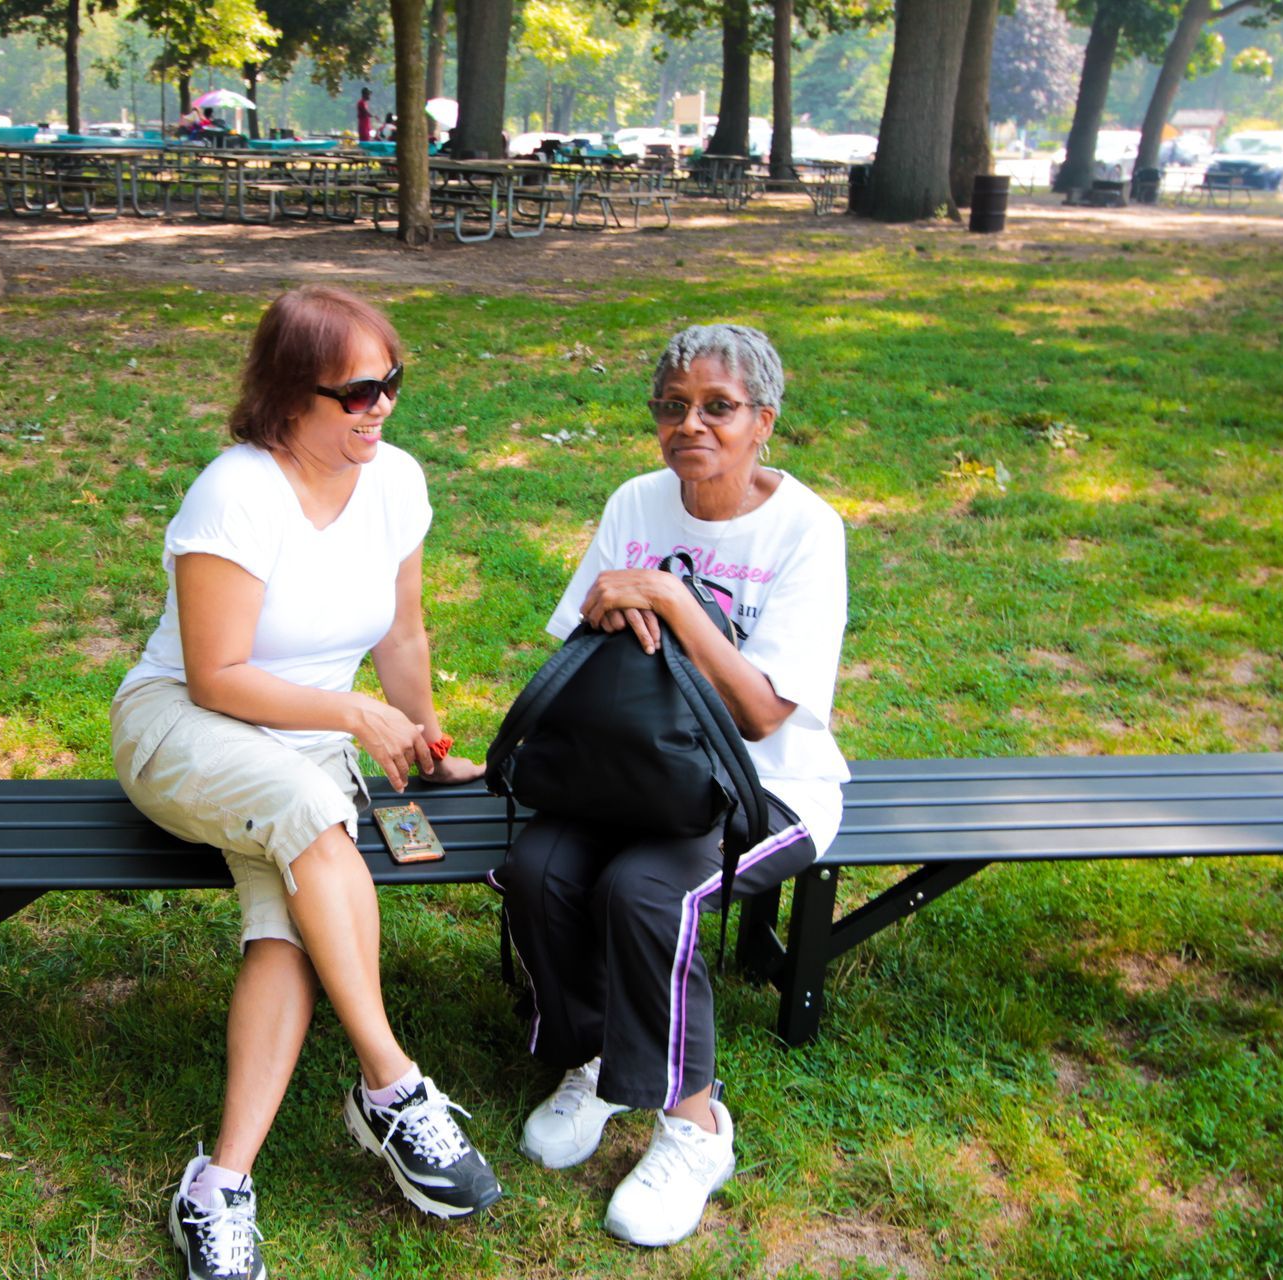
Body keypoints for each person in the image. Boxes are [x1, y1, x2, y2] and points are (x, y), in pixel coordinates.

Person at [111, 286, 502, 1280]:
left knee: (287, 920)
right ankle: (393, 1081)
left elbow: (403, 631)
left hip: (302, 748)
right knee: (313, 811)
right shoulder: (237, 491)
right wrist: (355, 715)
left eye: (391, 382)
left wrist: (416, 732)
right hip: (185, 729)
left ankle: (221, 1180)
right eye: (356, 391)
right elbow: (216, 673)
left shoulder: (396, 481)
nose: (381, 406)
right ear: (291, 395)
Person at [499, 323, 847, 1248]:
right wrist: (620, 600)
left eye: (718, 407)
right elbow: (585, 640)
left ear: (762, 421)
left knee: (650, 890)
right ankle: (600, 1062)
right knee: (538, 866)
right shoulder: (637, 501)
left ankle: (695, 1126)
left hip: (768, 785)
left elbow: (766, 714)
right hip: (635, 770)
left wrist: (673, 600)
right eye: (673, 406)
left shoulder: (806, 529)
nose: (691, 424)